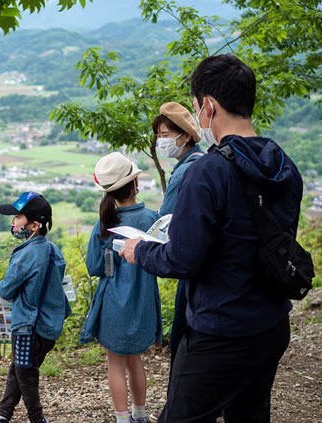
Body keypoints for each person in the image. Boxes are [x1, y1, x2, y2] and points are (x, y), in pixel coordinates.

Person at [120, 54, 303, 422]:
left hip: (222, 331)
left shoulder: (207, 172)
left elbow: (184, 257)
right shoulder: (282, 164)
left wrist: (141, 252)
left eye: (195, 107)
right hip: (270, 323)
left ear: (208, 106)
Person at [80, 153, 162, 423]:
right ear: (136, 183)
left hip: (113, 302)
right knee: (135, 359)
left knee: (115, 362)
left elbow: (94, 267)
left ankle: (122, 418)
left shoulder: (105, 223)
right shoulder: (152, 218)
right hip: (143, 301)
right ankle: (140, 414)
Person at [0, 192, 71, 423]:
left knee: (26, 376)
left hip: (28, 329)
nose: (13, 222)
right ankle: (2, 414)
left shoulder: (26, 256)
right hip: (49, 327)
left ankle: (37, 419)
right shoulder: (54, 251)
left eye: (17, 217)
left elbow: (5, 290)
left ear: (35, 225)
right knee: (19, 368)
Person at [152, 102, 203, 367]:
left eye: (166, 135)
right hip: (208, 266)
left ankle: (178, 404)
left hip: (190, 269)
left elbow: (166, 222)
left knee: (180, 342)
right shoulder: (205, 162)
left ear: (185, 136)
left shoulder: (183, 172)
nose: (161, 142)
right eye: (158, 136)